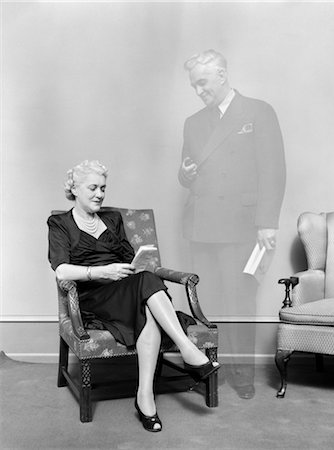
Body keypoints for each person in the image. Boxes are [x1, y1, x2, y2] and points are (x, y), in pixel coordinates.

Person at [47, 160, 220, 432]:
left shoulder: (112, 219)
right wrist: (102, 271)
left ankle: (145, 396)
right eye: (92, 188)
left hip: (125, 289)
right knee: (147, 293)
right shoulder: (60, 223)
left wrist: (137, 263)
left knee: (146, 290)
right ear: (74, 189)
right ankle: (187, 350)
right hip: (93, 298)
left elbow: (129, 258)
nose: (99, 194)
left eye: (103, 188)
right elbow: (62, 271)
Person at [178, 50, 286, 399]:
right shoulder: (193, 123)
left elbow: (273, 171)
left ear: (222, 75)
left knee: (240, 301)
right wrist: (186, 174)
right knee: (205, 302)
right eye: (194, 85)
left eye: (203, 83)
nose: (198, 91)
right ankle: (213, 370)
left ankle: (242, 375)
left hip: (241, 225)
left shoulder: (258, 111)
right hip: (203, 226)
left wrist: (267, 223)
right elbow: (186, 173)